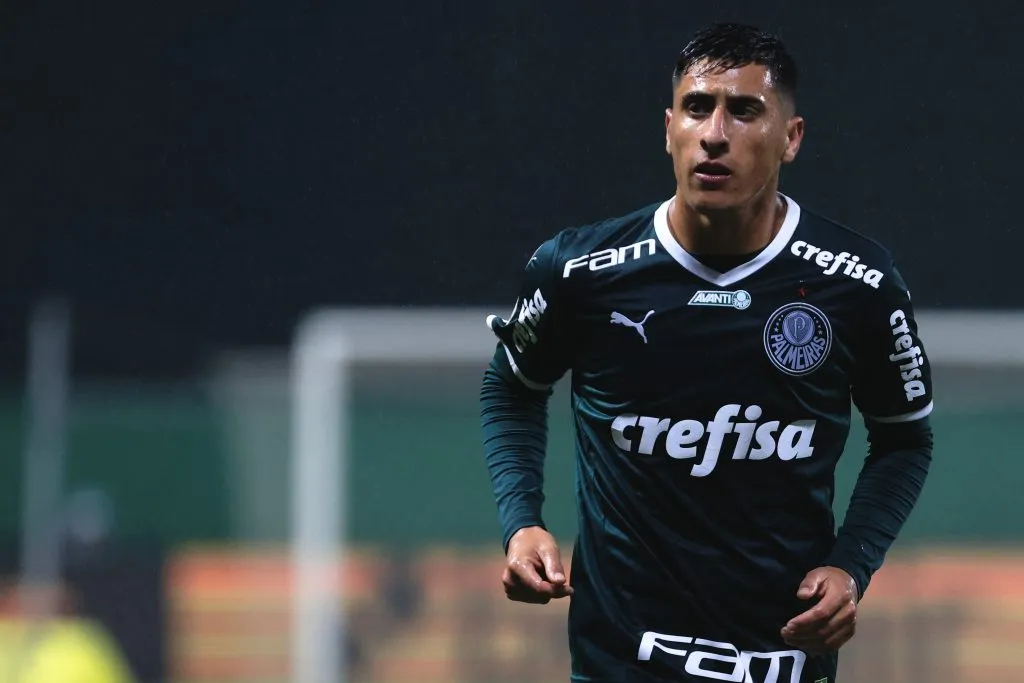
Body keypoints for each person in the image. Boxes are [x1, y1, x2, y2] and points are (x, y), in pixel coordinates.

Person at [479, 21, 934, 683]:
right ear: (669, 129)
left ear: (791, 137)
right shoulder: (579, 270)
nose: (715, 134)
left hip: (778, 664)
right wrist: (522, 521)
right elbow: (513, 386)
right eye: (697, 108)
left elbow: (904, 440)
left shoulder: (856, 283)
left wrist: (850, 564)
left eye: (745, 111)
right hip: (620, 667)